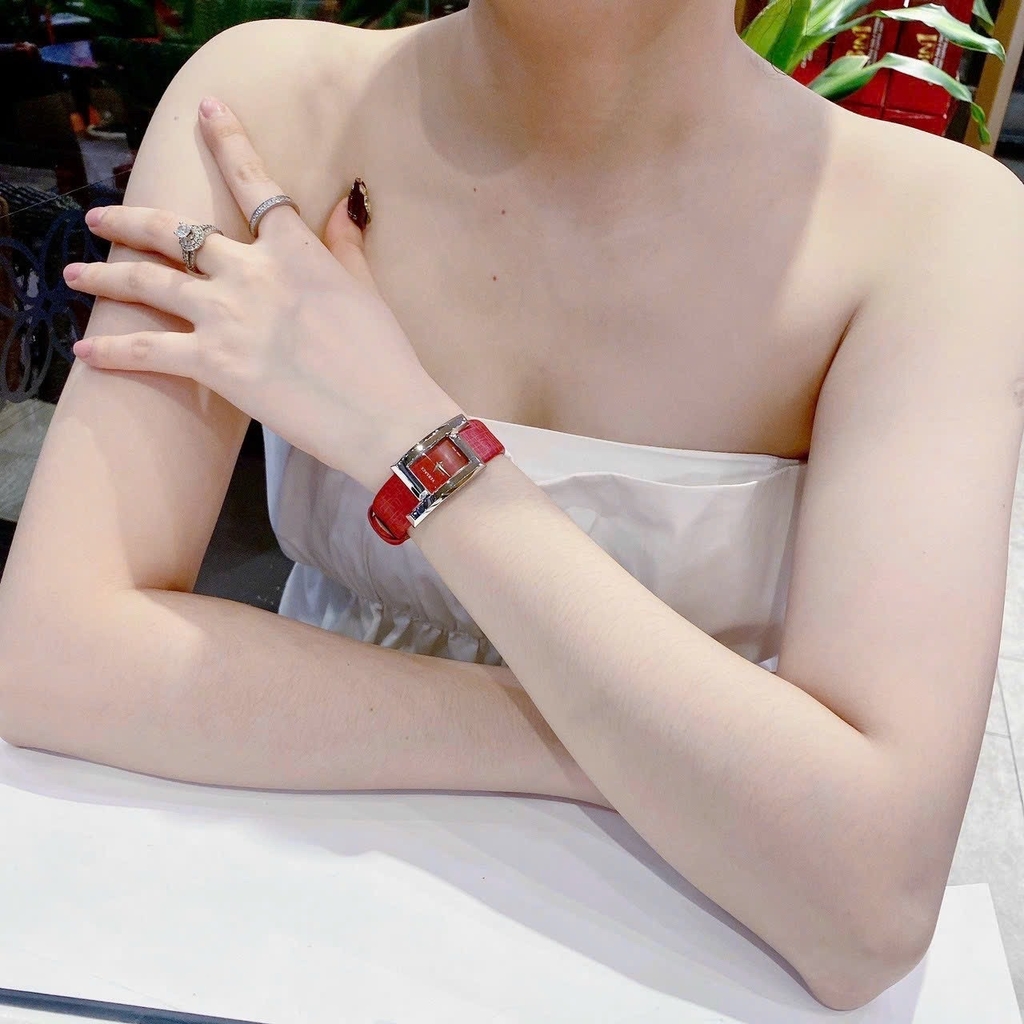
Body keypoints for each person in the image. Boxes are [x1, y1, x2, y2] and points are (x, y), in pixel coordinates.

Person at [1, 0, 1022, 1011]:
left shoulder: (935, 226)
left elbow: (865, 903)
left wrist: (408, 433)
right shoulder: (268, 103)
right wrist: (627, 750)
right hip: (283, 906)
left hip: (677, 946)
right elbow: (57, 653)